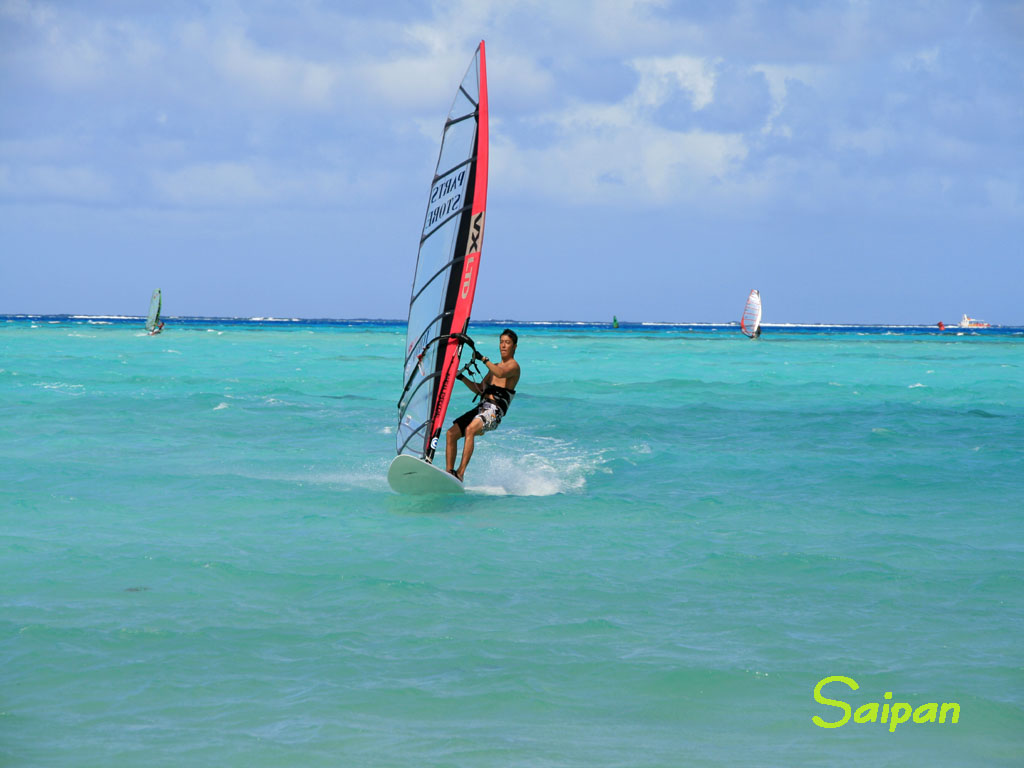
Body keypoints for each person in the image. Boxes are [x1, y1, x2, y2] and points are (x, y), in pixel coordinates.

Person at [445, 329, 521, 481]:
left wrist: (483, 359)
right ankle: (449, 473)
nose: (503, 346)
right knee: (451, 433)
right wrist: (461, 377)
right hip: (481, 408)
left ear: (514, 347)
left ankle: (460, 474)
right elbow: (479, 389)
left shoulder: (513, 367)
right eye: (501, 342)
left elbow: (500, 373)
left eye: (507, 343)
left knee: (470, 429)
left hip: (494, 412)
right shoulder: (494, 367)